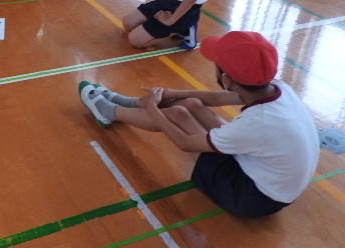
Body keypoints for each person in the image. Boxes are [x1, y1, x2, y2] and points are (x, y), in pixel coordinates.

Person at [78, 31, 320, 218]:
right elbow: (217, 98)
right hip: (275, 182)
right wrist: (172, 93)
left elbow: (184, 143)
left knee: (177, 115)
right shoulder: (277, 88)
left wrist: (153, 108)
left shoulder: (258, 123)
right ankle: (128, 103)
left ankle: (110, 111)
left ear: (225, 78)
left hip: (251, 198)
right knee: (190, 104)